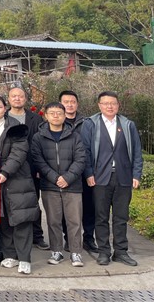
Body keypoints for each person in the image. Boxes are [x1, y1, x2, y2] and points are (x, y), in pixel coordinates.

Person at [82, 91, 143, 267]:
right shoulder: (90, 124)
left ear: (118, 105)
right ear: (99, 105)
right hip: (100, 178)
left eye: (113, 103)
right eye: (106, 103)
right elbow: (85, 151)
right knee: (100, 217)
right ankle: (104, 251)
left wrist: (136, 174)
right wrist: (89, 173)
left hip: (123, 177)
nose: (110, 106)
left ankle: (121, 252)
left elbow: (137, 151)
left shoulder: (128, 125)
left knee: (121, 217)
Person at [0, 94, 38, 275]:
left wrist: (5, 171)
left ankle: (24, 259)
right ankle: (10, 255)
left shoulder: (16, 126)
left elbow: (19, 152)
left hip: (17, 178)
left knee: (21, 218)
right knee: (4, 218)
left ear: (5, 108)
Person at [31, 101, 86, 268]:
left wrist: (68, 177)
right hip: (50, 186)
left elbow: (81, 159)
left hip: (73, 186)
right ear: (46, 116)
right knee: (53, 221)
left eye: (59, 113)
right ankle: (56, 251)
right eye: (52, 113)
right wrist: (55, 178)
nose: (56, 116)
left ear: (64, 116)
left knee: (74, 221)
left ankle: (76, 252)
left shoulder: (75, 136)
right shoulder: (38, 137)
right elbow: (38, 160)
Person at [7, 86, 47, 250]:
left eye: (20, 96)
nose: (17, 98)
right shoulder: (4, 117)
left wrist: (39, 168)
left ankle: (37, 236)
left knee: (33, 202)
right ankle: (11, 236)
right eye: (14, 96)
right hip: (9, 169)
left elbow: (41, 144)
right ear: (8, 99)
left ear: (25, 99)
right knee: (10, 203)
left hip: (31, 168)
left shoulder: (35, 119)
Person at [60, 89, 97, 253]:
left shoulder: (88, 123)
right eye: (66, 102)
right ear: (61, 104)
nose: (69, 105)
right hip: (66, 173)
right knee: (66, 208)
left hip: (86, 171)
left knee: (89, 206)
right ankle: (69, 239)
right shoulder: (56, 122)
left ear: (77, 104)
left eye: (72, 102)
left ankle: (88, 238)